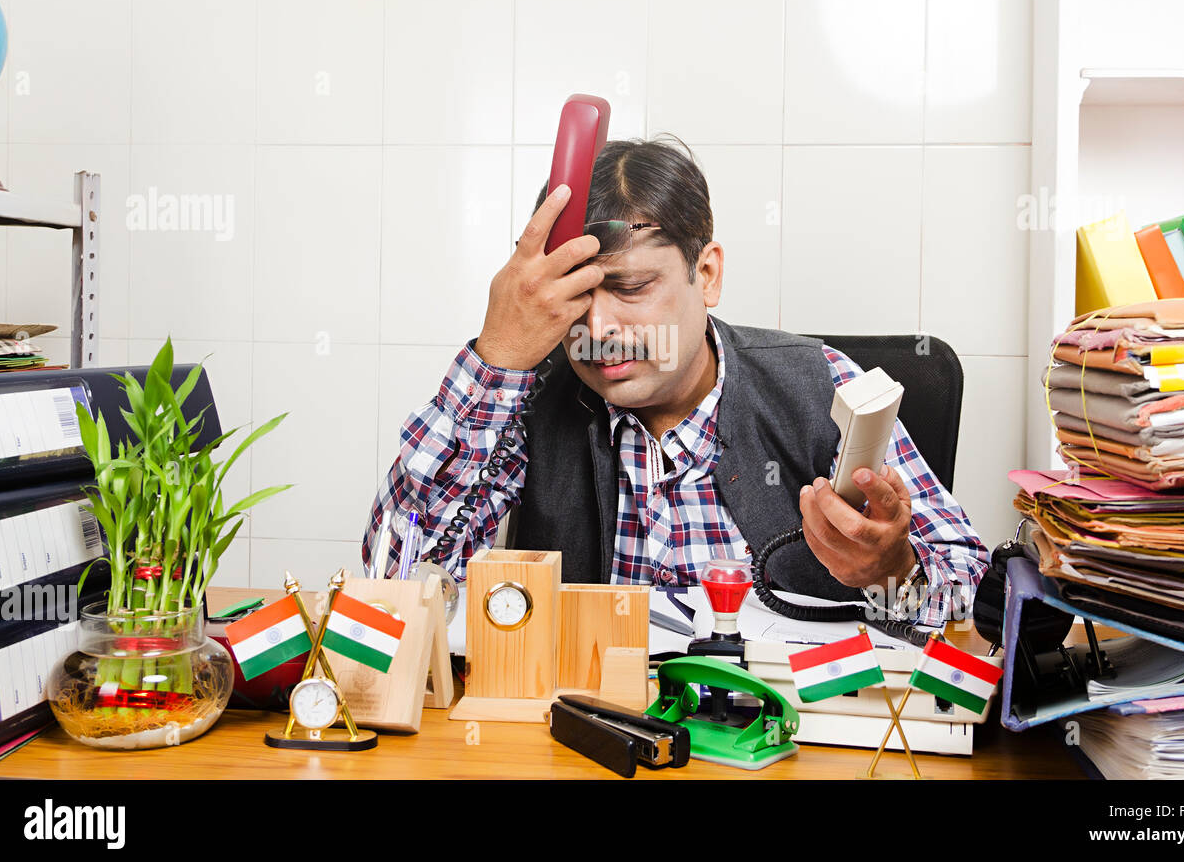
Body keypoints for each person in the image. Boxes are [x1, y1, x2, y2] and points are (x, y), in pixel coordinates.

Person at [363, 138, 988, 626]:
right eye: (576, 294)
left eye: (631, 288)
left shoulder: (823, 387)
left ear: (707, 275)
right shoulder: (520, 400)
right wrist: (495, 359)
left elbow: (973, 597)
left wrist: (896, 573)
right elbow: (394, 585)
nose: (600, 325)